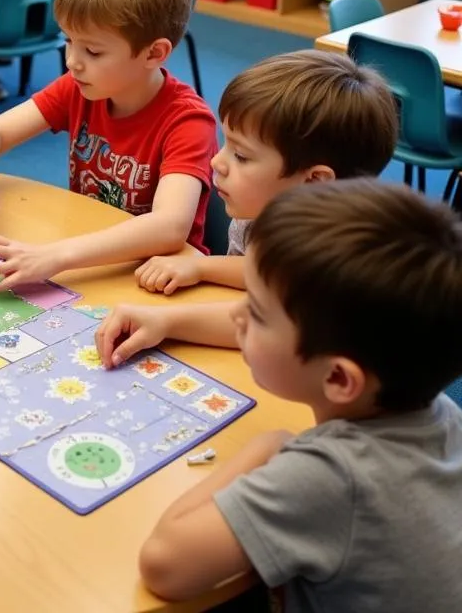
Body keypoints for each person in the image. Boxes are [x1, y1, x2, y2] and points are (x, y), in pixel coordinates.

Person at [119, 181, 462, 611]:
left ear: (339, 378)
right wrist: (168, 321)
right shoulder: (438, 409)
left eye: (256, 312)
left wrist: (268, 446)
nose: (236, 315)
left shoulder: (331, 478)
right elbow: (281, 335)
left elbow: (165, 565)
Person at [0, 0, 217, 292]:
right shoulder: (78, 87)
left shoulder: (187, 122)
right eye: (68, 42)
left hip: (157, 280)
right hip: (89, 260)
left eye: (92, 50)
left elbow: (169, 227)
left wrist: (56, 255)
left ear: (154, 53)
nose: (72, 61)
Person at [132, 50, 398, 295]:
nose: (216, 162)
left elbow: (273, 284)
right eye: (226, 144)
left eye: (241, 156)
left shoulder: (335, 254)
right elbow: (253, 273)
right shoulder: (259, 207)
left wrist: (201, 268)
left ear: (315, 181)